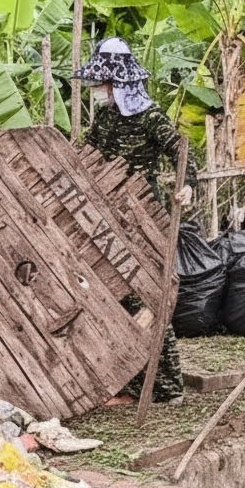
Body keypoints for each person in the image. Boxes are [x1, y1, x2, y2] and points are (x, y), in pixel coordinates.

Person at [75, 37, 196, 405]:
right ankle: (129, 382)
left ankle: (168, 386)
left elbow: (181, 151)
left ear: (119, 83)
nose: (98, 90)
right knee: (117, 295)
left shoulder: (150, 117)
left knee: (149, 295)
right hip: (108, 213)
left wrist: (186, 185)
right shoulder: (108, 117)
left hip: (144, 216)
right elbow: (85, 154)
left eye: (103, 83)